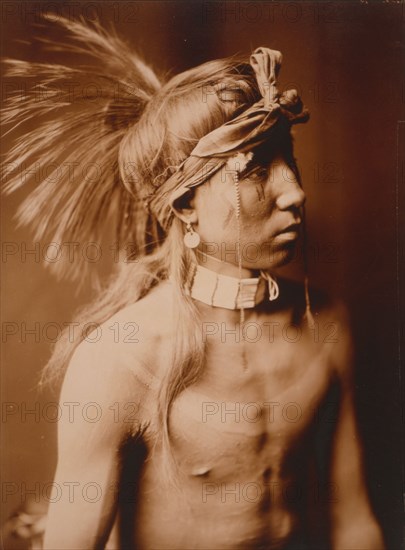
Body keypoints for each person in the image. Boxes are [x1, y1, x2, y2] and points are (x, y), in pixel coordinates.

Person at [3, 16, 385, 550]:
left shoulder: (327, 328)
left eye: (289, 161)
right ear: (185, 206)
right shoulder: (120, 360)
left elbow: (354, 522)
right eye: (255, 171)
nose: (295, 193)